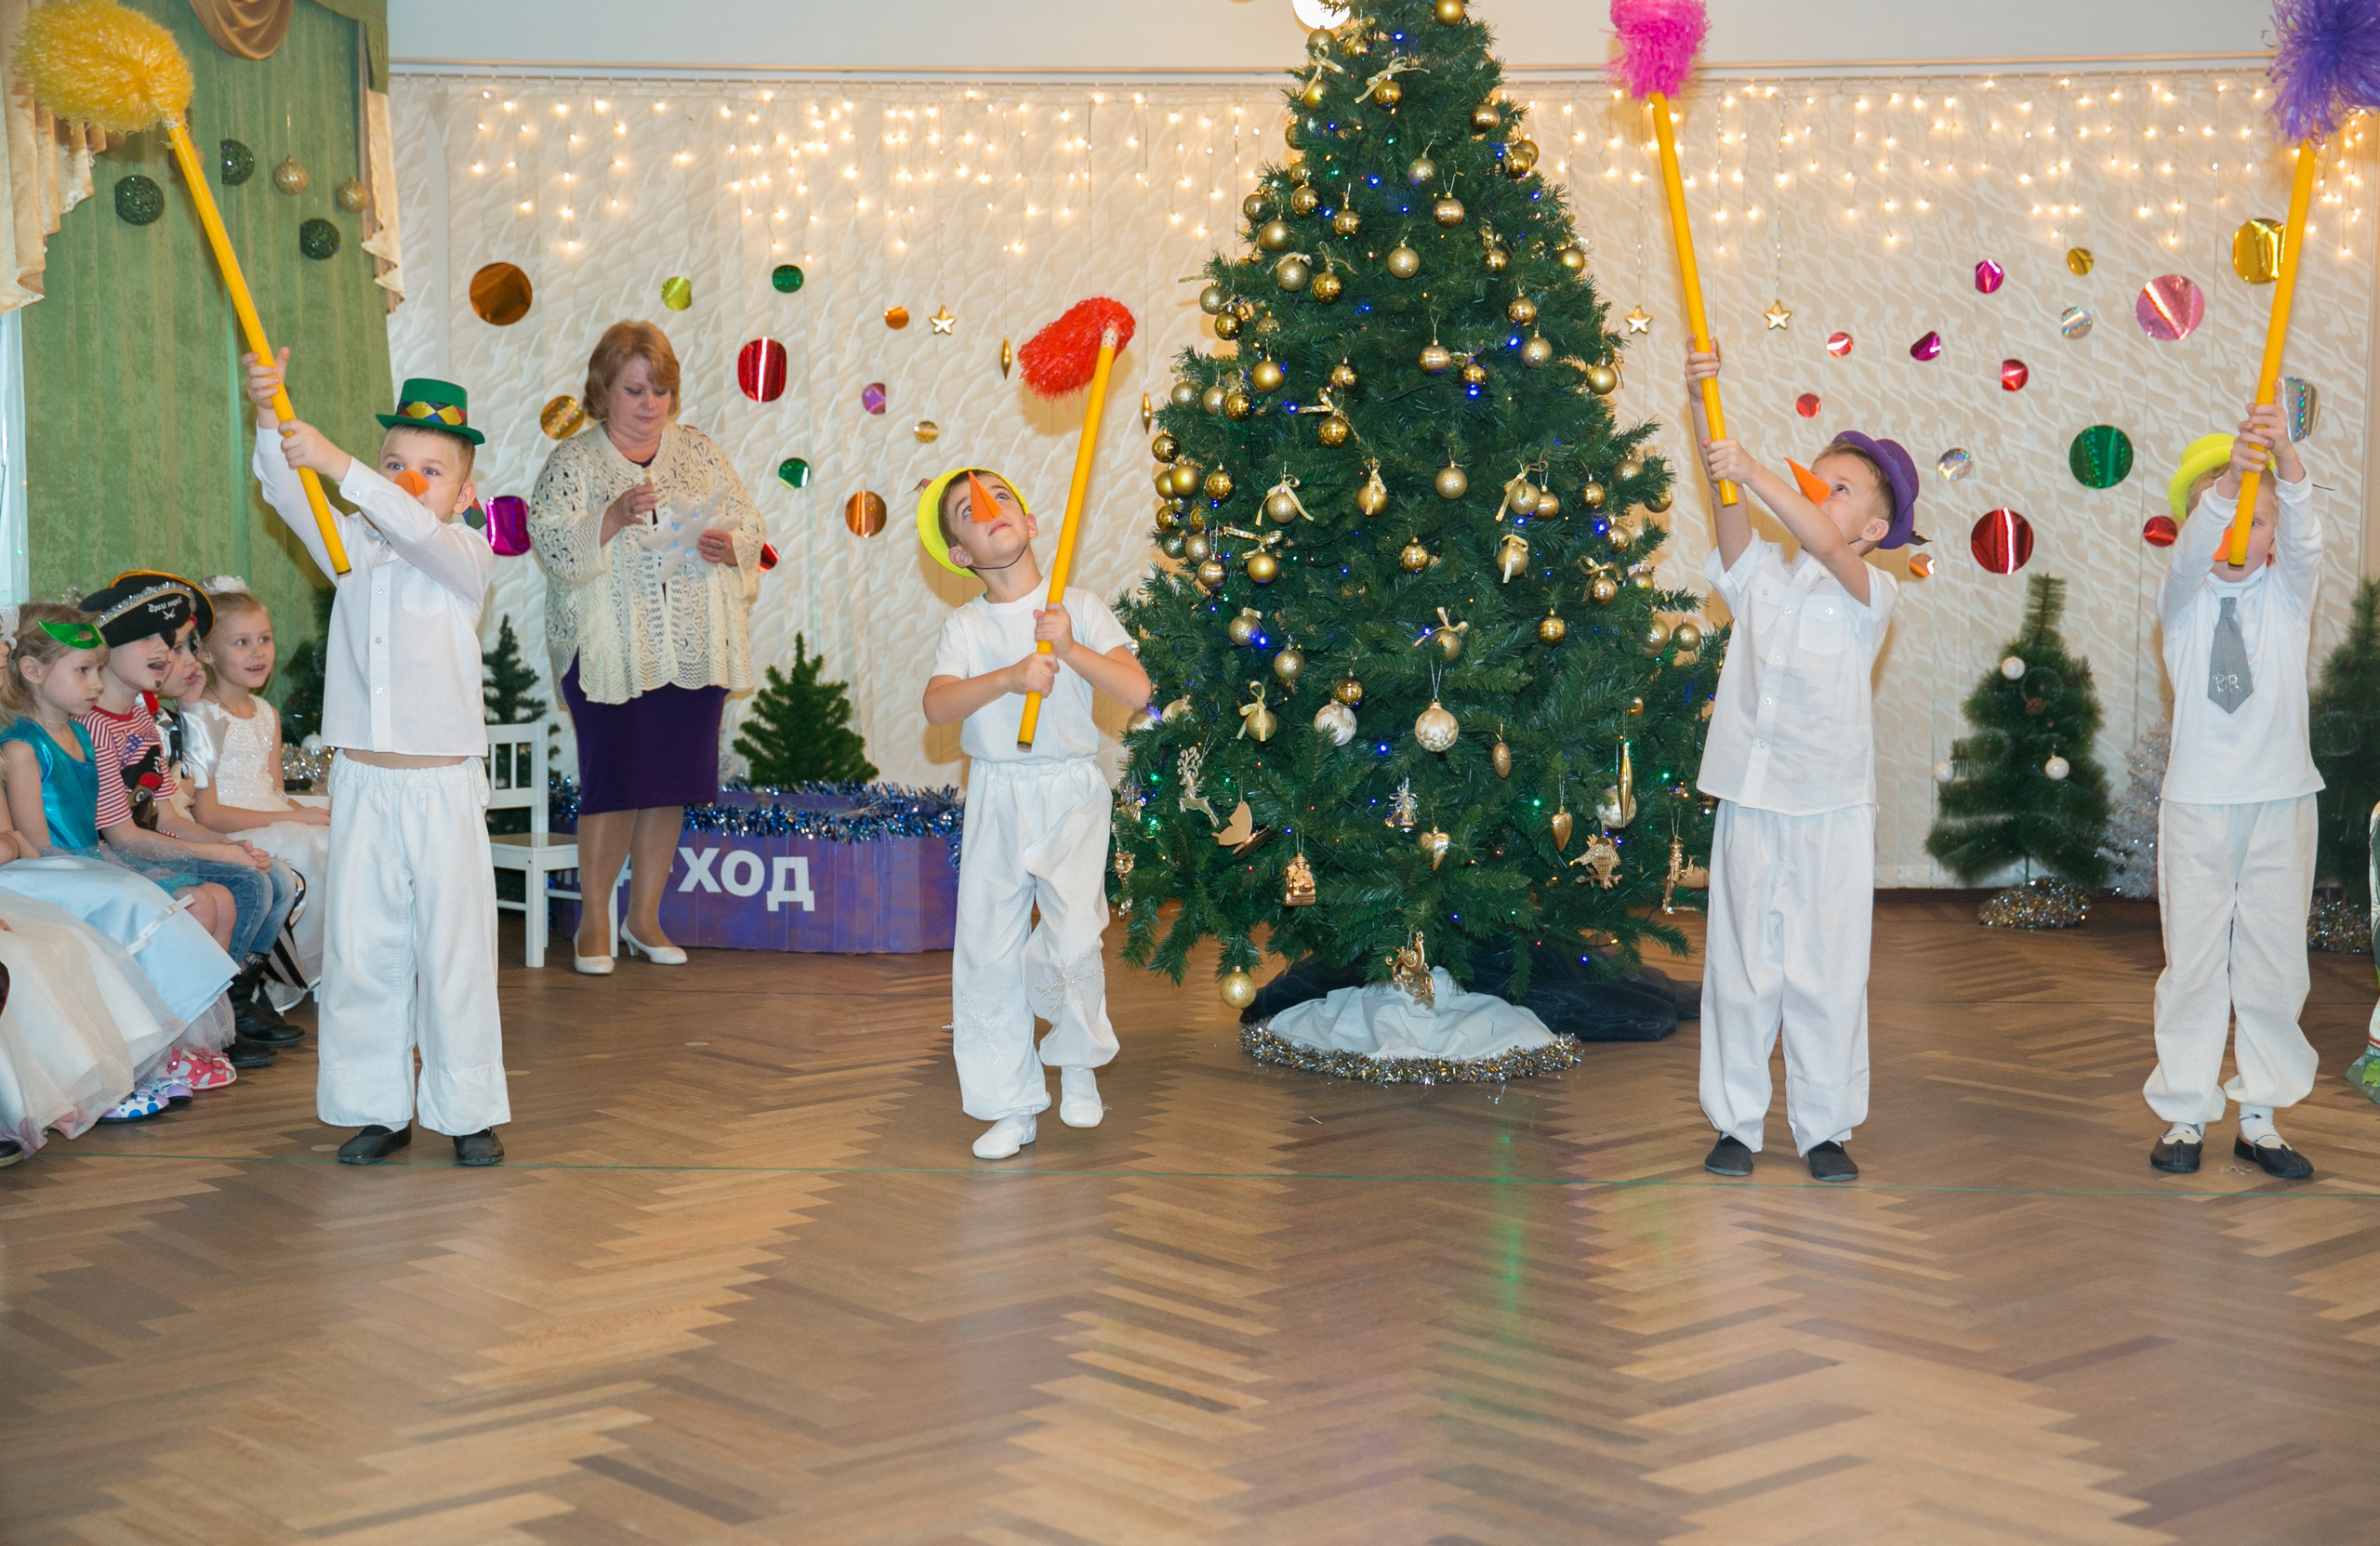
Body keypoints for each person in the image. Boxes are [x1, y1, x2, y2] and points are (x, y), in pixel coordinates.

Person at [244, 350, 507, 1168]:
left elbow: (416, 527)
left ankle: (465, 1109)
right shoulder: (351, 548)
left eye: (431, 470)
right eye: (396, 463)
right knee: (364, 949)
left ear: (465, 493)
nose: (407, 480)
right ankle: (375, 1105)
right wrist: (268, 412)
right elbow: (288, 489)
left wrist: (342, 464)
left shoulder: (463, 556)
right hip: (363, 783)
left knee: (454, 948)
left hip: (441, 785)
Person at [1686, 348, 1919, 1183]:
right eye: (1813, 478)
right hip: (1752, 801)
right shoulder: (1762, 583)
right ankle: (1736, 1124)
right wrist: (1705, 397)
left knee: (1826, 970)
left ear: (1873, 531)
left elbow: (1818, 538)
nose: (1820, 496)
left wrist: (1754, 469)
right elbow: (1732, 519)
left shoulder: (1870, 594)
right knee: (1743, 967)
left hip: (1830, 813)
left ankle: (1825, 1125)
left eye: (1842, 488)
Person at [917, 468, 1150, 1160]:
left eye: (1002, 499)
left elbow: (1137, 690)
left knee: (1075, 930)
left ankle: (1076, 1061)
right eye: (968, 510)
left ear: (1034, 523)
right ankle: (1010, 1103)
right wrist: (1014, 676)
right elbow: (938, 705)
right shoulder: (965, 625)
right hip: (996, 792)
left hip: (1069, 790)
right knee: (986, 948)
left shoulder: (1074, 605)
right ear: (960, 554)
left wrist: (1070, 647)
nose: (990, 510)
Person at [528, 321, 765, 973]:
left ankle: (645, 916)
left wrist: (730, 544)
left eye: (660, 389)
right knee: (616, 783)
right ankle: (595, 921)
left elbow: (748, 523)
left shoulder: (699, 450)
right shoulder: (573, 462)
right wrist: (608, 519)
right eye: (635, 389)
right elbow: (548, 542)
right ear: (604, 391)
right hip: (610, 650)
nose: (650, 403)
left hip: (692, 644)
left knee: (671, 784)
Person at [2145, 412, 2323, 1181]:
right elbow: (2190, 557)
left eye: (2258, 519)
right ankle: (2185, 1111)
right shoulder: (2181, 603)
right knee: (2192, 961)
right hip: (2198, 806)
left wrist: (2283, 456)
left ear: (2273, 540)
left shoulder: (2287, 600)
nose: (2238, 529)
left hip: (2282, 800)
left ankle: (2260, 1115)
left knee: (2275, 960)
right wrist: (2227, 484)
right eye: (2223, 513)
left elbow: (2311, 539)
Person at [0, 602, 240, 1110]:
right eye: (83, 670)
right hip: (48, 872)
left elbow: (113, 821)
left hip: (86, 860)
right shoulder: (23, 749)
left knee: (156, 895)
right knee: (132, 899)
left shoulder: (86, 734)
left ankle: (169, 1045)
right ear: (33, 671)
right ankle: (143, 1057)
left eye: (96, 668)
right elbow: (37, 847)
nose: (95, 682)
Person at [75, 572, 301, 1056]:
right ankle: (214, 1010)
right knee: (245, 883)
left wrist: (230, 847)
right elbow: (126, 834)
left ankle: (232, 999)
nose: (167, 653)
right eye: (149, 640)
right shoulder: (97, 725)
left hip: (148, 837)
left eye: (172, 642)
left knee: (273, 876)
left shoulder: (138, 716)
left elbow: (165, 814)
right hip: (111, 852)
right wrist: (222, 853)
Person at [184, 580, 330, 1004]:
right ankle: (263, 977)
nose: (258, 652)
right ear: (207, 653)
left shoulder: (267, 713)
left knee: (333, 831)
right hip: (231, 828)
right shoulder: (200, 716)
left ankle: (314, 968)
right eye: (242, 642)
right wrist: (293, 818)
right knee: (300, 841)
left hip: (269, 814)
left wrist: (308, 810)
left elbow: (275, 792)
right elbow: (207, 816)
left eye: (264, 639)